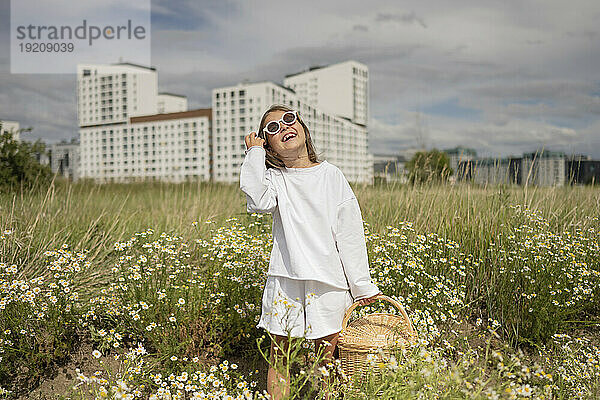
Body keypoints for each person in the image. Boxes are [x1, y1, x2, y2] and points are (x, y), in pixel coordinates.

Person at [240, 104, 381, 399]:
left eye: (289, 120)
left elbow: (350, 234)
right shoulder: (275, 179)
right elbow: (258, 202)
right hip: (286, 278)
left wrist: (361, 286)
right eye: (273, 128)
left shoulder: (332, 176)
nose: (284, 128)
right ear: (271, 148)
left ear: (303, 128)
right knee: (280, 356)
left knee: (327, 358)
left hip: (328, 279)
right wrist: (253, 154)